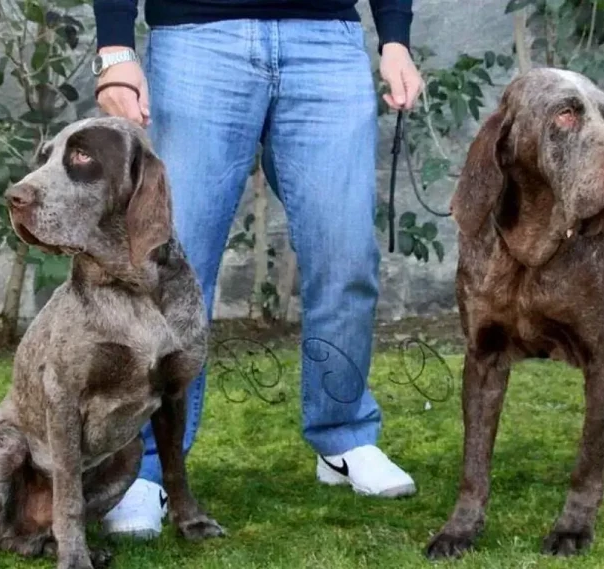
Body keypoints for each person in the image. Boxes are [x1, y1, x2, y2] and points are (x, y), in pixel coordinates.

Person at [89, 0, 424, 539]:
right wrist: (114, 50)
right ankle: (145, 467)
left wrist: (395, 38)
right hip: (198, 39)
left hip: (326, 40)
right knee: (170, 265)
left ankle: (343, 438)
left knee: (346, 252)